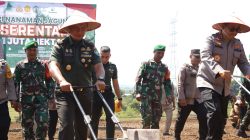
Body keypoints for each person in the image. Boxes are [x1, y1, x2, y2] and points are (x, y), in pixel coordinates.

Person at [49, 12, 106, 140]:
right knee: (67, 125)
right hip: (65, 93)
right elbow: (53, 66)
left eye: (82, 28)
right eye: (75, 28)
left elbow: (99, 66)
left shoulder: (90, 46)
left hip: (85, 92)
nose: (79, 31)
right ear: (68, 29)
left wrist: (100, 79)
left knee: (83, 125)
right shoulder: (60, 45)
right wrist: (62, 81)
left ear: (86, 28)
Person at [197, 15, 250, 140]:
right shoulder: (211, 40)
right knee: (214, 111)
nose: (235, 32)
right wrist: (219, 70)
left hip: (224, 86)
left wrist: (248, 72)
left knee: (221, 118)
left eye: (237, 30)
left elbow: (243, 63)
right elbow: (205, 56)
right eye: (232, 29)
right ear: (222, 27)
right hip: (207, 82)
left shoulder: (237, 44)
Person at [14, 40, 54, 140]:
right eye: (29, 50)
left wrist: (51, 97)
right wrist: (16, 100)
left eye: (34, 50)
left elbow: (50, 81)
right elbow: (16, 84)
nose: (32, 52)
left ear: (37, 51)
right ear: (25, 51)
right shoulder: (20, 66)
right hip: (26, 100)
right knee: (27, 126)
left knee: (43, 124)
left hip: (41, 99)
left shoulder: (43, 65)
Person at [174, 49, 207, 140]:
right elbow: (180, 83)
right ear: (190, 56)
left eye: (199, 57)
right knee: (181, 119)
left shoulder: (201, 68)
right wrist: (181, 98)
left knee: (204, 117)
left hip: (198, 99)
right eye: (196, 56)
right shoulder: (184, 68)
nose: (198, 59)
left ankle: (203, 137)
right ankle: (176, 136)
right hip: (186, 100)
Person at [91, 46, 122, 140]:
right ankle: (92, 138)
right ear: (99, 55)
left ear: (110, 56)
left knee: (111, 117)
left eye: (107, 57)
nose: (104, 59)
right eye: (102, 56)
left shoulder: (113, 67)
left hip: (108, 95)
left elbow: (115, 83)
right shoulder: (93, 65)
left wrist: (119, 98)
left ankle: (110, 138)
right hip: (94, 94)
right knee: (94, 119)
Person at [135, 44, 169, 129]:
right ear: (154, 52)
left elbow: (167, 82)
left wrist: (168, 95)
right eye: (158, 53)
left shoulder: (164, 67)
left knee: (156, 119)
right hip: (146, 95)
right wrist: (138, 92)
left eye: (162, 53)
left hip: (157, 96)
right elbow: (138, 79)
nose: (160, 55)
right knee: (146, 117)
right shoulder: (146, 64)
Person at [0, 59, 18, 140]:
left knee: (5, 124)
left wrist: (13, 99)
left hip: (2, 103)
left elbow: (10, 83)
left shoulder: (4, 65)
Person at [236, 54, 250, 137]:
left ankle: (241, 129)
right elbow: (243, 84)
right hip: (247, 92)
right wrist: (241, 97)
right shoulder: (246, 68)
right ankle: (241, 129)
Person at [161, 71, 175, 136]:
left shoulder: (170, 83)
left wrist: (174, 104)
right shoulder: (158, 82)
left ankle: (166, 131)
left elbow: (172, 94)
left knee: (169, 118)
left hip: (169, 104)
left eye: (168, 74)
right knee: (156, 119)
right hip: (160, 104)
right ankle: (153, 131)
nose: (167, 75)